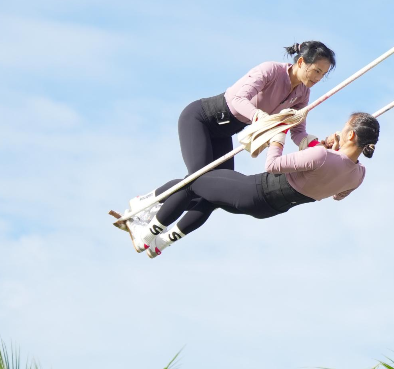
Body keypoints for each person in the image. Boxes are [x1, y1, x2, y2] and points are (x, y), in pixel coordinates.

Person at [127, 40, 337, 237]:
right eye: (316, 71)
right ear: (301, 62)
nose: (317, 79)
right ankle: (144, 204)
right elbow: (237, 99)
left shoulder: (302, 94)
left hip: (223, 133)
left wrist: (316, 145)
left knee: (215, 193)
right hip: (200, 119)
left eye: (323, 75)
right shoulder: (271, 70)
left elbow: (297, 131)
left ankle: (159, 236)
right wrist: (259, 117)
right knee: (198, 180)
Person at [129, 112, 380, 257]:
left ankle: (147, 228)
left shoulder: (322, 156)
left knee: (196, 180)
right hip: (268, 209)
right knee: (209, 198)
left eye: (344, 127)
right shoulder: (359, 175)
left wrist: (277, 136)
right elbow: (337, 194)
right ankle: (160, 244)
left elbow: (272, 165)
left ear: (350, 135)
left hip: (254, 190)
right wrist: (334, 155)